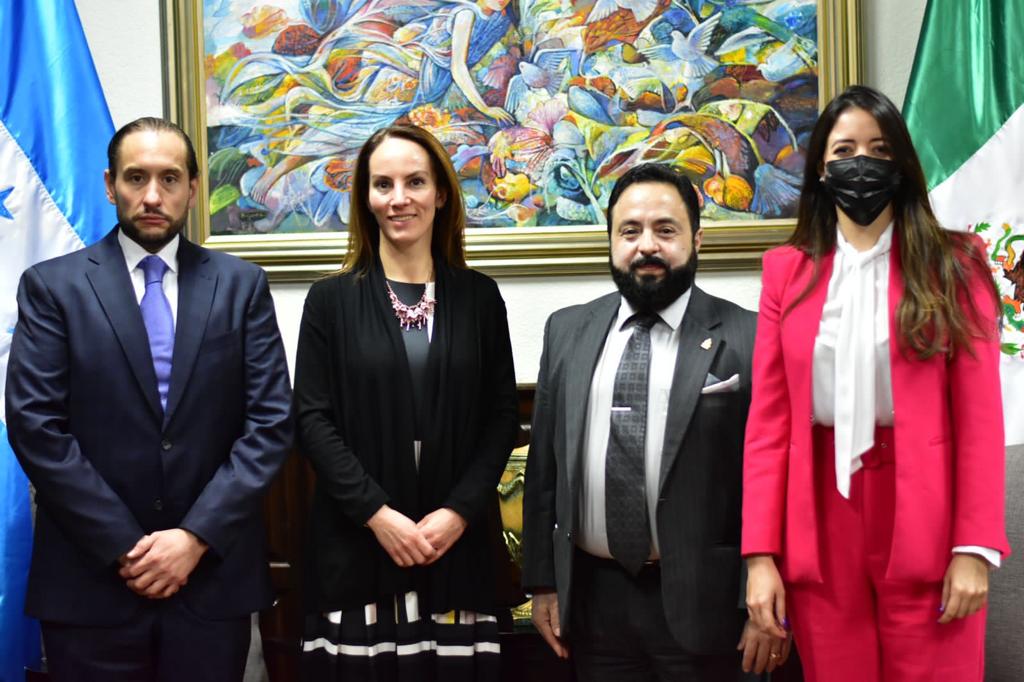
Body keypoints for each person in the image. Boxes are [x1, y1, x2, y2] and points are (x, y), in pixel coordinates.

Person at [4, 117, 293, 681]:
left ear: (193, 188)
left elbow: (270, 423)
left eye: (170, 178)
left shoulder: (241, 286)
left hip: (210, 582)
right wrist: (125, 546)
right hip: (91, 585)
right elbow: (36, 427)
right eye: (136, 178)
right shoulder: (52, 286)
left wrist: (193, 538)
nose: (153, 196)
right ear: (110, 185)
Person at [742, 85, 1008, 682]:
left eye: (879, 149)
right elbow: (768, 426)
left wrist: (974, 546)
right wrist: (761, 556)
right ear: (820, 168)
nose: (861, 163)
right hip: (818, 515)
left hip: (926, 515)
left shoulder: (955, 263)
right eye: (844, 150)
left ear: (902, 164)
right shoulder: (786, 271)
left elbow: (980, 420)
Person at [522, 163, 783, 681]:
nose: (647, 246)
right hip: (592, 605)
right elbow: (544, 471)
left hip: (708, 606)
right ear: (611, 241)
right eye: (630, 231)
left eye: (665, 230)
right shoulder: (567, 330)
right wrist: (544, 583)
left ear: (696, 240)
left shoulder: (749, 337)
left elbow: (773, 477)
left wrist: (763, 601)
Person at [294, 124, 519, 680]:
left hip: (457, 552)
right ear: (366, 198)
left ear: (440, 194)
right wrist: (378, 516)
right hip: (357, 549)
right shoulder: (328, 301)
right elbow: (313, 420)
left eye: (415, 182)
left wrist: (458, 513)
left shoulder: (480, 297)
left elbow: (500, 419)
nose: (399, 199)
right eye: (383, 184)